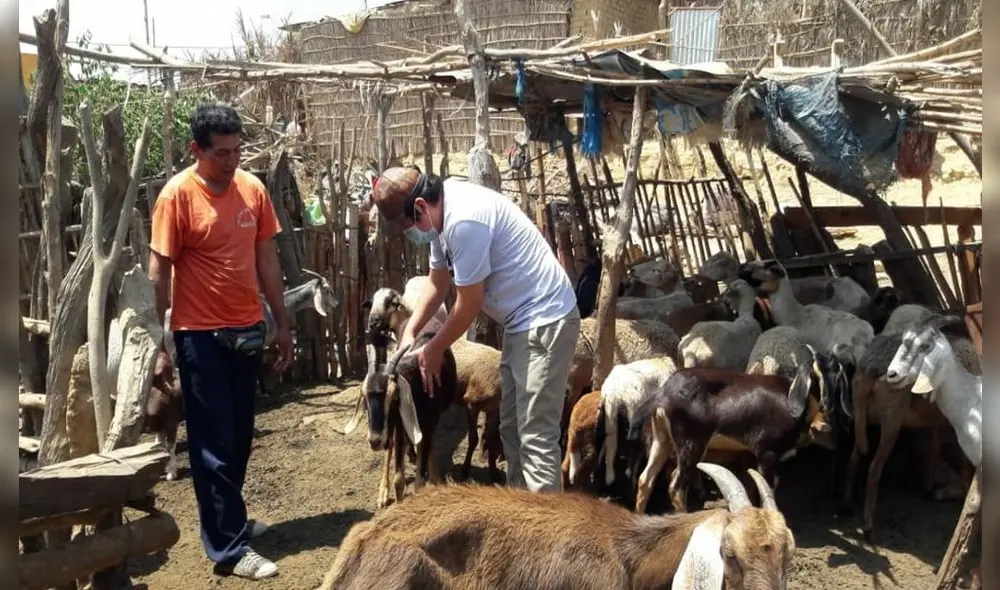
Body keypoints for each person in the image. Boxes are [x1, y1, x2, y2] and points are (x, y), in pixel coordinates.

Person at [149, 103, 292, 580]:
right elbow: (159, 271)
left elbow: (267, 261)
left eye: (237, 151)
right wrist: (161, 341)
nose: (231, 162)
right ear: (197, 150)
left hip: (247, 330)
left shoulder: (252, 190)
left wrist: (282, 322)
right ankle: (229, 548)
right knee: (210, 444)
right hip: (199, 336)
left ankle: (231, 520)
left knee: (238, 438)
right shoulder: (176, 198)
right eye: (221, 154)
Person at [373, 167, 580, 492]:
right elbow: (437, 284)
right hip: (520, 323)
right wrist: (411, 330)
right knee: (511, 429)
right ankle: (521, 519)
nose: (411, 232)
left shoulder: (464, 222)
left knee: (535, 436)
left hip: (545, 320)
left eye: (409, 224)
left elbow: (468, 304)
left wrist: (436, 347)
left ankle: (547, 536)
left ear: (420, 207)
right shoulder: (439, 221)